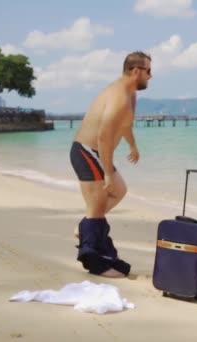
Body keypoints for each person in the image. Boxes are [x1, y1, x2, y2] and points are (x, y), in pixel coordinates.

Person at [69, 51, 152, 278]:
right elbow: (104, 138)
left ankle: (84, 227)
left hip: (95, 154)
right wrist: (107, 173)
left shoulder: (130, 94)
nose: (151, 76)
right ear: (136, 71)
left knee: (120, 190)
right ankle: (97, 263)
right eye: (148, 71)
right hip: (88, 152)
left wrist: (133, 146)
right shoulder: (119, 97)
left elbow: (124, 125)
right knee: (98, 207)